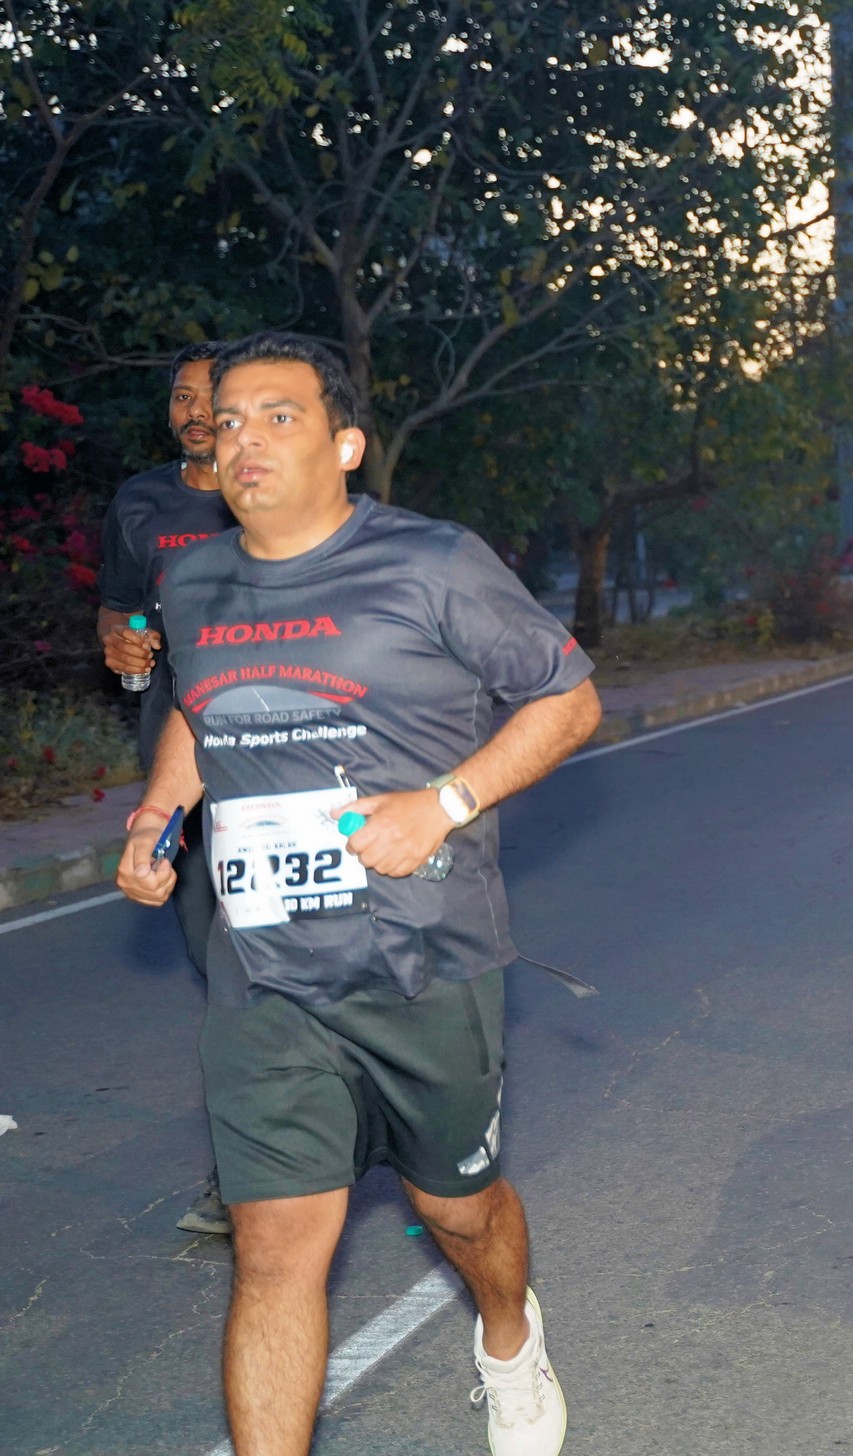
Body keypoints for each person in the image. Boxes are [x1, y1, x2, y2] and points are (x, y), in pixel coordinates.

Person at [115, 332, 600, 1456]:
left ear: (345, 443)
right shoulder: (192, 580)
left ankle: (509, 1336)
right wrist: (156, 815)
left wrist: (444, 801)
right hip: (265, 972)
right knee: (275, 1247)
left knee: (457, 1211)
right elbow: (196, 707)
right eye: (229, 419)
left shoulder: (432, 562)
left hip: (422, 958)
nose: (243, 438)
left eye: (277, 415)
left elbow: (567, 699)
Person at [97, 340, 238, 1236]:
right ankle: (252, 1168)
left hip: (275, 764)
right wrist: (119, 638)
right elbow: (118, 602)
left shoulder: (272, 494)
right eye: (182, 396)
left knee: (278, 963)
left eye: (211, 396)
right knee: (219, 970)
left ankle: (279, 1156)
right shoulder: (140, 502)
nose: (194, 411)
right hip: (176, 767)